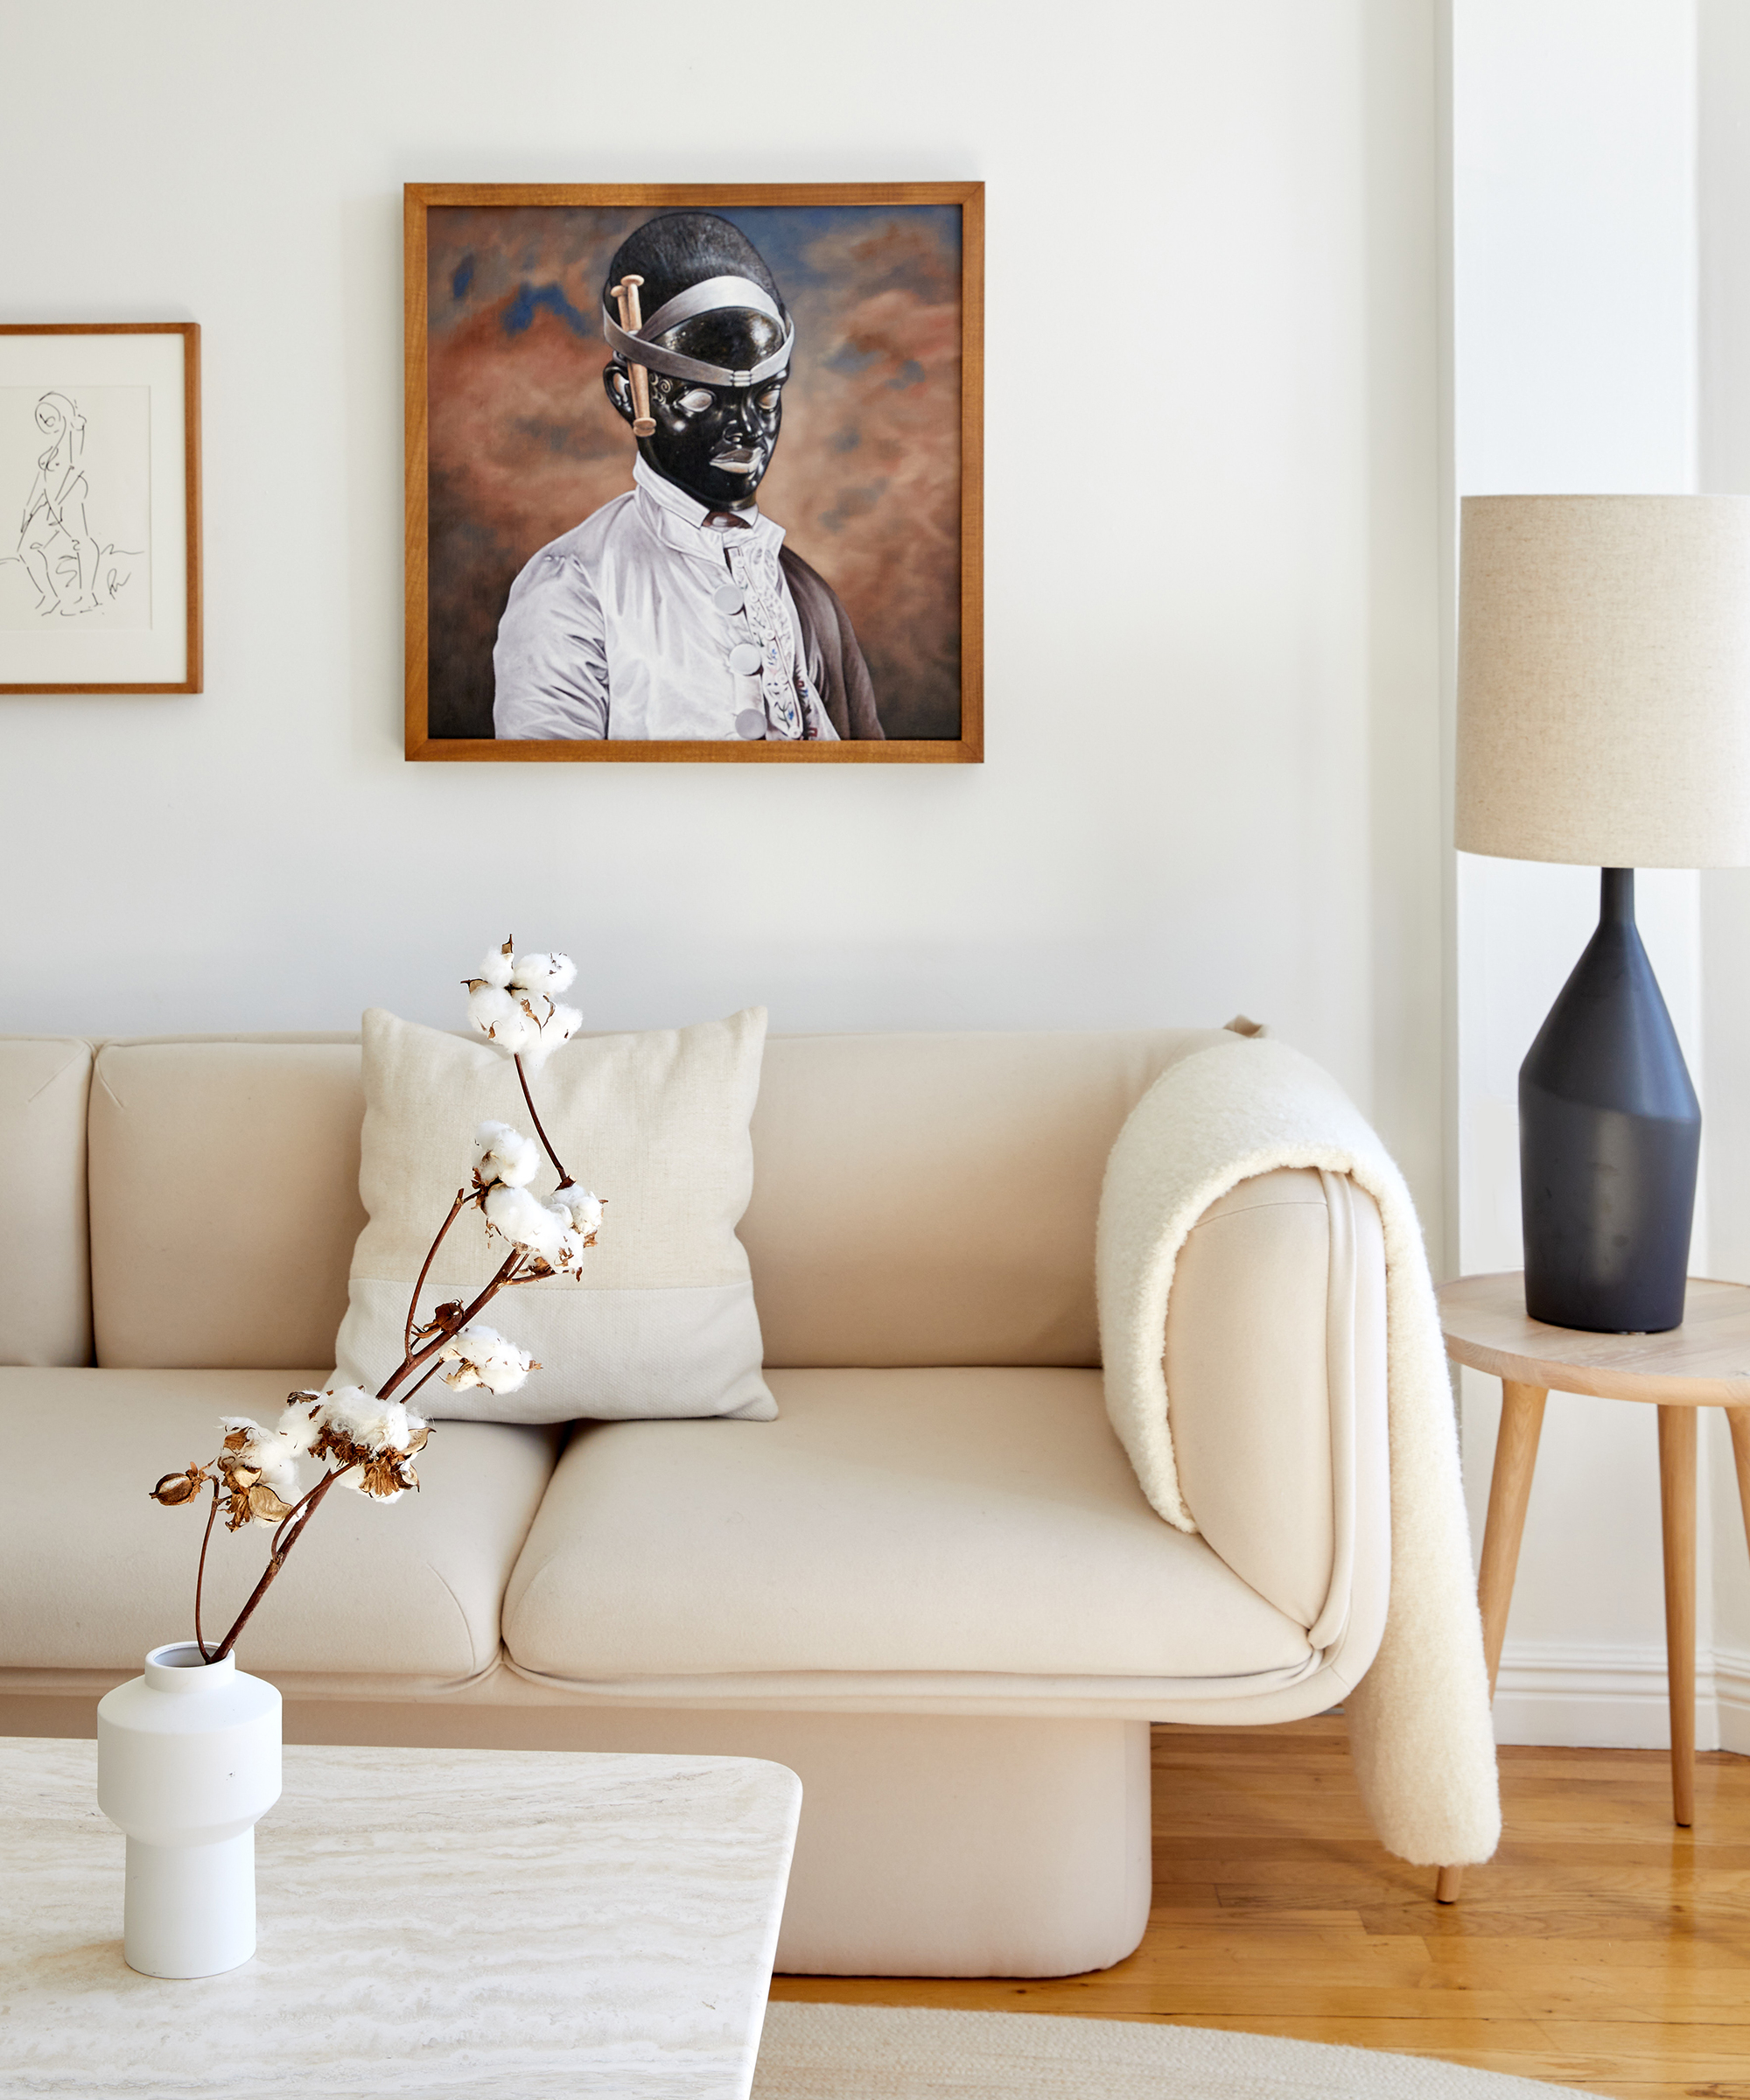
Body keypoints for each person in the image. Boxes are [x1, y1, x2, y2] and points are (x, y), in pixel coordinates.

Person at [492, 213, 883, 742]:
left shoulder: (807, 595)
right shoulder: (574, 585)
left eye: (766, 398)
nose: (746, 428)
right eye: (703, 400)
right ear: (629, 394)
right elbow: (547, 802)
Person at [18, 393, 101, 618]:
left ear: (62, 413)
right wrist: (29, 508)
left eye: (49, 415)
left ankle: (87, 596)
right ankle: (50, 595)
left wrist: (62, 499)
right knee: (25, 549)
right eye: (41, 417)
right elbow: (41, 480)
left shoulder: (72, 436)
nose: (45, 421)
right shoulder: (51, 447)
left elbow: (78, 464)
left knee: (82, 542)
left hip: (67, 499)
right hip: (49, 504)